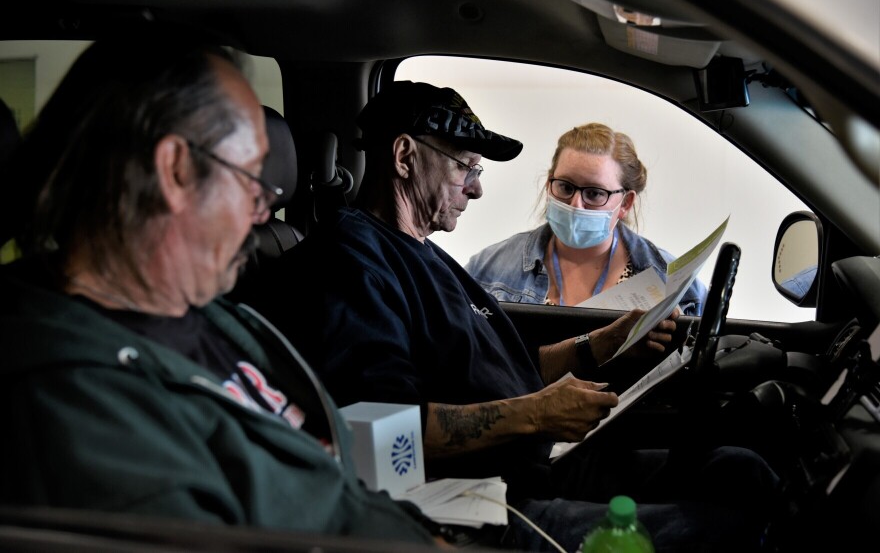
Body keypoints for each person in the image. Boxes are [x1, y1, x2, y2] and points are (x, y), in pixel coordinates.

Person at [256, 81, 780, 552]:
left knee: (740, 471)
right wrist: (535, 414)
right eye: (464, 167)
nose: (476, 187)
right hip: (474, 502)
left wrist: (600, 345)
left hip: (532, 465)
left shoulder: (426, 253)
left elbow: (493, 366)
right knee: (728, 528)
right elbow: (378, 435)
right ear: (404, 156)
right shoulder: (352, 266)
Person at [0, 35, 447, 548]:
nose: (264, 213)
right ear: (177, 171)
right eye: (253, 183)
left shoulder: (202, 312)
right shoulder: (74, 404)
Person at [465, 122, 706, 316]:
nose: (575, 204)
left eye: (594, 193)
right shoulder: (487, 269)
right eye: (565, 187)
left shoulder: (673, 281)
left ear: (626, 203)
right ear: (549, 183)